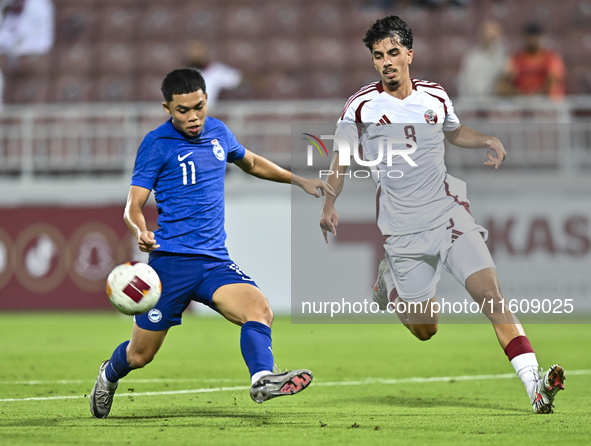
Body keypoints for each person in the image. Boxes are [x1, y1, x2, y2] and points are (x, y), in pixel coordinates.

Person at [318, 16, 565, 414]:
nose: (386, 62)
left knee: (492, 296)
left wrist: (485, 138)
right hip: (402, 230)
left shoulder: (434, 95)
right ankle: (389, 284)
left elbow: (453, 131)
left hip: (449, 214)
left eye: (393, 53)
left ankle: (534, 385)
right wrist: (330, 202)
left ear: (410, 54)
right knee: (425, 329)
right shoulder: (360, 106)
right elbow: (341, 159)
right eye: (378, 56)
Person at [90, 68, 334, 419]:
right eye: (182, 111)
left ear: (206, 100)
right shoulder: (156, 145)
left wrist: (298, 180)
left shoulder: (218, 131)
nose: (193, 117)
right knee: (139, 356)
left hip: (213, 262)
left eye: (198, 107)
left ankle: (262, 378)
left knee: (259, 310)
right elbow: (133, 205)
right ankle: (108, 375)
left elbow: (249, 161)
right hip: (169, 265)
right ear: (167, 108)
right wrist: (140, 230)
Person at [497, 23, 566, 100]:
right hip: (520, 100)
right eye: (529, 38)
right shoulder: (516, 58)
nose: (532, 41)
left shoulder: (551, 57)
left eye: (535, 38)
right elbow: (505, 81)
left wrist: (538, 94)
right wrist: (519, 94)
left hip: (545, 100)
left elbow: (554, 79)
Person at [184, 40, 242, 109]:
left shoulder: (216, 70)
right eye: (193, 53)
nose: (196, 55)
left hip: (212, 112)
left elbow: (236, 80)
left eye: (199, 51)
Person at [457, 19, 507, 98]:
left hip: (496, 103)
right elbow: (464, 83)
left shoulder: (505, 57)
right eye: (485, 36)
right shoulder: (471, 57)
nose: (488, 40)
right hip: (473, 102)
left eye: (492, 38)